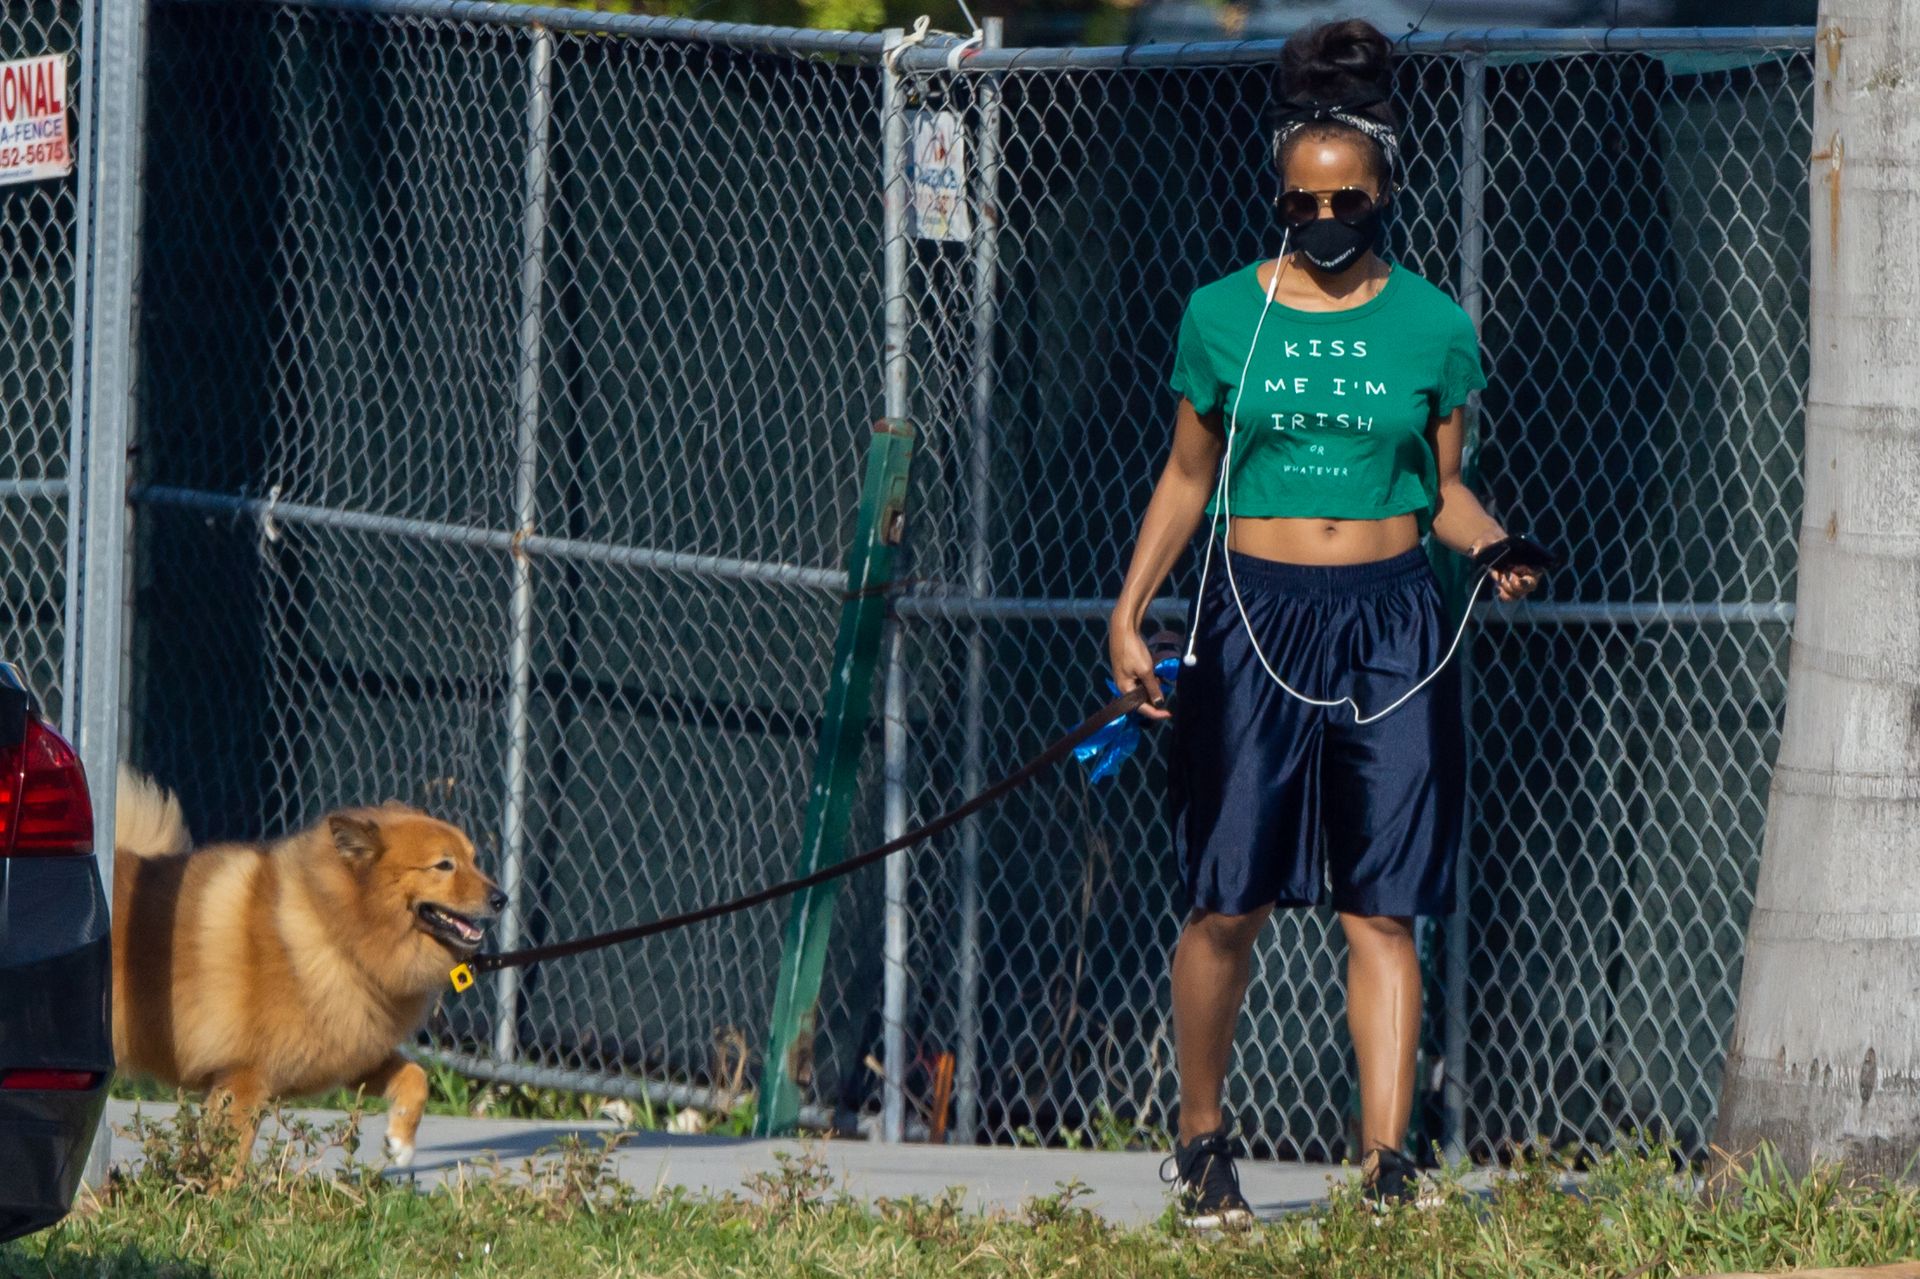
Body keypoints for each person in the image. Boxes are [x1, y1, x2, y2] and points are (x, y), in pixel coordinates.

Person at [1107, 18, 1545, 1226]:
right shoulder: (1219, 316)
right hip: (1253, 617)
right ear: (1280, 198)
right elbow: (1188, 476)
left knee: (1381, 904)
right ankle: (1202, 1147)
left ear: (1384, 190)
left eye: (1346, 198)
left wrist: (1494, 544)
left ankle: (1387, 1164)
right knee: (1226, 897)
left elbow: (1440, 485)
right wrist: (1131, 612)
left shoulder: (1434, 327)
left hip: (1394, 625)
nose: (1326, 222)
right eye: (1303, 203)